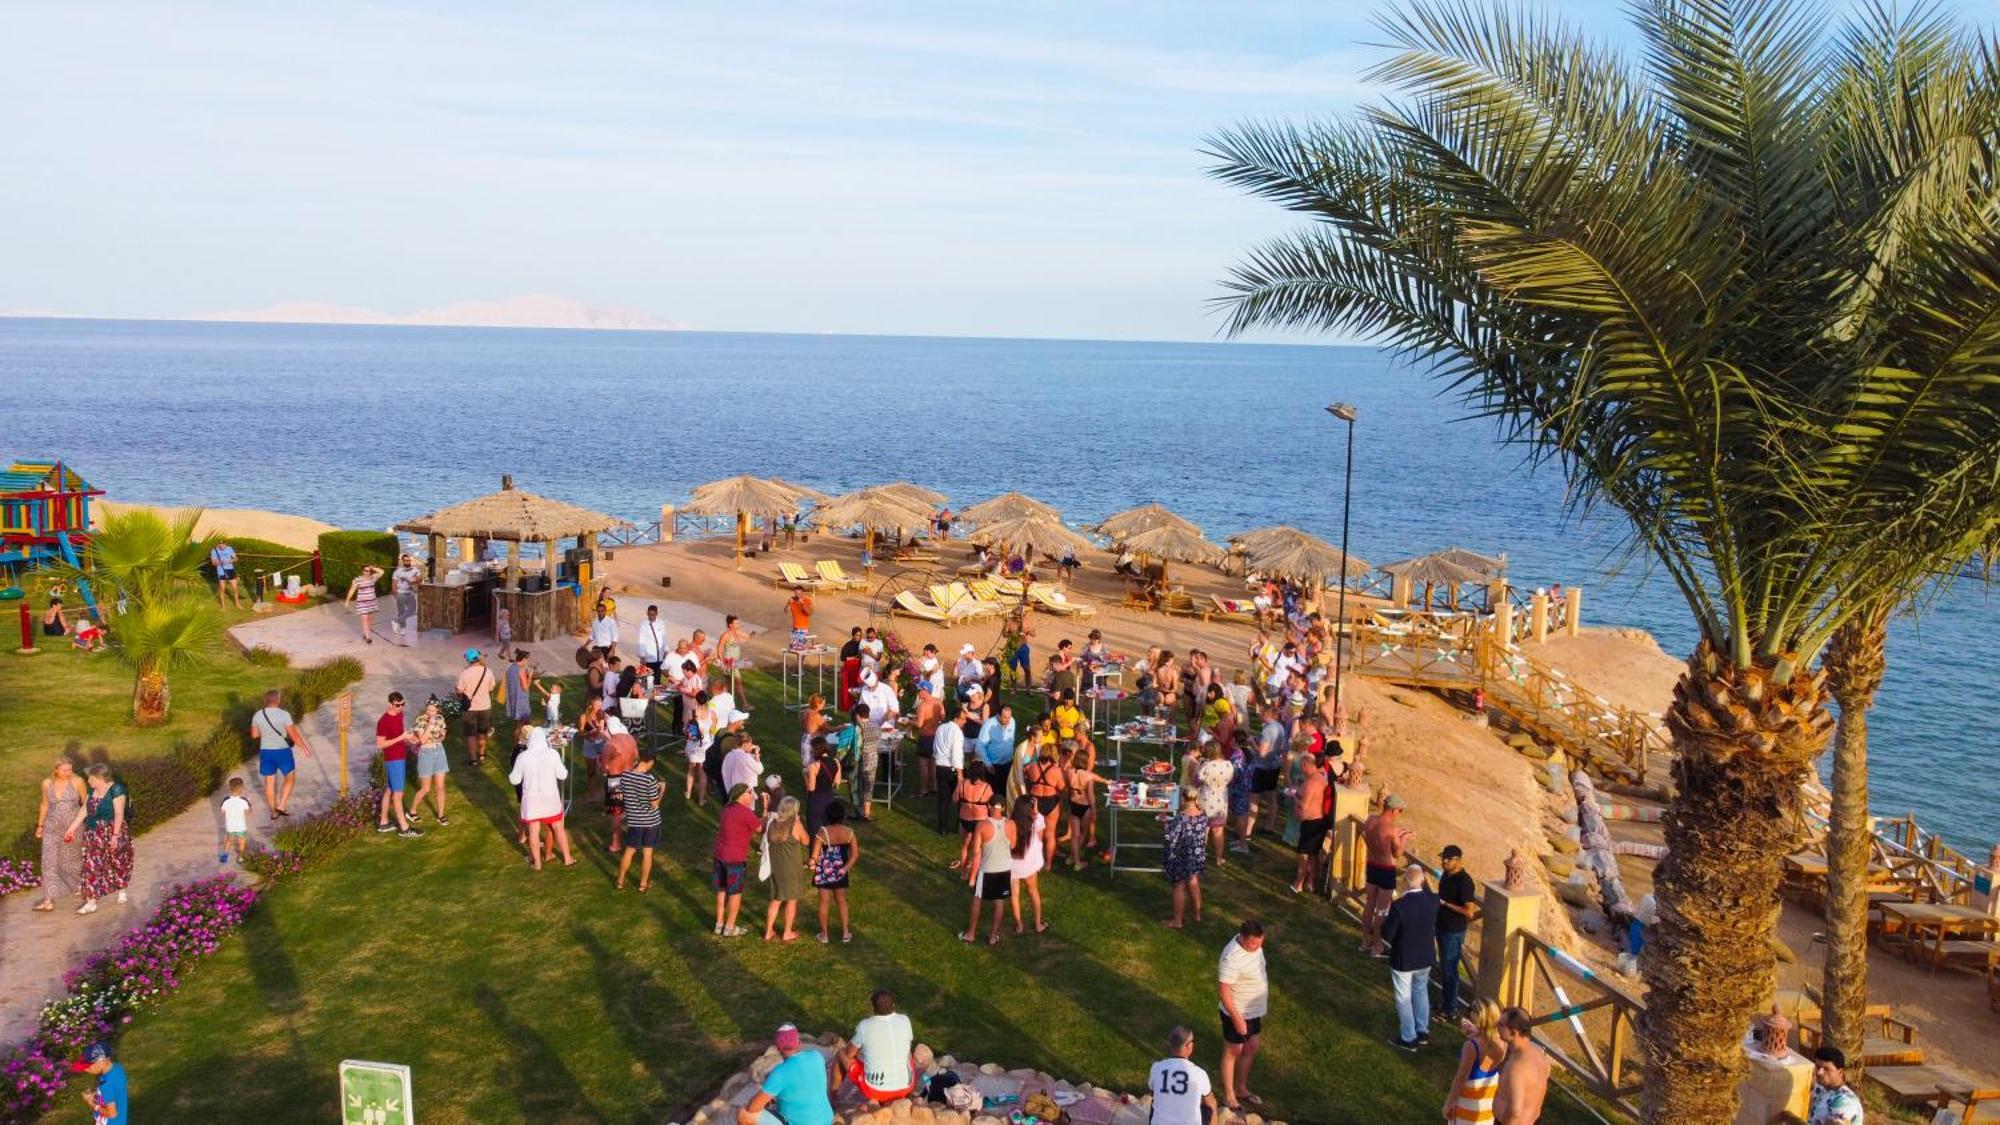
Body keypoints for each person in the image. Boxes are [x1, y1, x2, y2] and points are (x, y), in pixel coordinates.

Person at [1383, 862, 1440, 1050]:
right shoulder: (1433, 900)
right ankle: (1422, 1030)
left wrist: (1384, 917)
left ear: (1405, 881)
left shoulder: (1399, 906)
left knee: (1403, 997)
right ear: (1423, 880)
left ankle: (1409, 1037)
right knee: (1421, 990)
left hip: (1404, 957)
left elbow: (1388, 934)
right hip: (1425, 956)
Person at [507, 716, 574, 870]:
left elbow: (514, 780)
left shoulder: (523, 757)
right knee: (558, 828)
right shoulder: (552, 754)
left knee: (534, 832)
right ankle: (567, 858)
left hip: (531, 800)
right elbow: (563, 775)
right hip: (550, 798)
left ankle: (537, 863)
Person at [1216, 919, 1268, 1112]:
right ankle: (1229, 1095)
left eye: (1260, 942)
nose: (1258, 947)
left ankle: (1241, 1088)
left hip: (1253, 1010)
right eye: (1254, 943)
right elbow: (1224, 990)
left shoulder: (1255, 946)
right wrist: (1237, 1019)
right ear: (1243, 939)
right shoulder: (1232, 957)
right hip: (1236, 1011)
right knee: (1233, 1051)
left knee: (1251, 1046)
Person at [737, 1024, 834, 1125]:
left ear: (778, 1048)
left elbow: (753, 1108)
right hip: (827, 1120)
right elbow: (802, 1082)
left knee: (744, 1114)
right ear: (799, 1043)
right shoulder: (816, 1056)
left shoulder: (780, 1073)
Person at [839, 988, 917, 1103]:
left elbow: (849, 1054)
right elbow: (907, 1051)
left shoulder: (864, 1026)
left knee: (841, 1053)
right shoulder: (905, 1020)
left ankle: (833, 1095)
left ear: (871, 1007)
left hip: (876, 1091)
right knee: (907, 1056)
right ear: (894, 1005)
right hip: (906, 1087)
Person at [1361, 794, 1415, 956]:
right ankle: (1377, 945)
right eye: (1400, 810)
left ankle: (1365, 941)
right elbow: (1397, 853)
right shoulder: (1392, 830)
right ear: (1393, 810)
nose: (1400, 813)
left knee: (1369, 905)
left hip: (1372, 865)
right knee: (1382, 910)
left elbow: (1368, 835)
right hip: (1385, 869)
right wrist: (1404, 838)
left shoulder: (1370, 820)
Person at [961, 794, 1015, 945]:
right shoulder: (1011, 824)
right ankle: (993, 936)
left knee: (977, 898)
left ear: (989, 807)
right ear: (1003, 808)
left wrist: (972, 875)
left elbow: (976, 851)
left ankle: (971, 934)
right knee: (999, 901)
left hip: (987, 869)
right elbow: (1013, 845)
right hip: (1004, 869)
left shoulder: (982, 825)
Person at [33, 759, 87, 910]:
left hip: (73, 828)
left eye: (70, 769)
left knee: (71, 861)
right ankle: (48, 900)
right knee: (48, 862)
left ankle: (78, 886)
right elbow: (44, 804)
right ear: (56, 770)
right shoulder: (46, 783)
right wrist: (40, 825)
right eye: (65, 770)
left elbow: (86, 803)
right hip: (51, 828)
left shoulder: (78, 782)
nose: (68, 773)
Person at [249, 688, 311, 819]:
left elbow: (254, 735)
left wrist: (265, 732)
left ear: (265, 700)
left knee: (269, 783)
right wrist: (304, 748)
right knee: (290, 778)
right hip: (283, 751)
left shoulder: (258, 715)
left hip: (266, 752)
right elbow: (293, 734)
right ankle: (282, 805)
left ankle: (273, 812)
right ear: (278, 700)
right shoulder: (284, 714)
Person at [1436, 845, 1481, 1018]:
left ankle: (1451, 1009)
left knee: (1450, 969)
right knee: (1445, 967)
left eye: (1449, 859)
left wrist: (1445, 904)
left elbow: (1469, 912)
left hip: (1453, 930)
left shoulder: (1464, 882)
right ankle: (1446, 1003)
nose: (1444, 861)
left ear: (1459, 861)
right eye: (1443, 858)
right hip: (1441, 926)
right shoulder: (1446, 875)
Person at [715, 782, 764, 936]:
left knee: (722, 889)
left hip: (719, 854)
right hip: (735, 857)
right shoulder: (745, 812)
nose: (752, 796)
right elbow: (760, 828)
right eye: (750, 793)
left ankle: (719, 923)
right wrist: (767, 809)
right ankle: (729, 927)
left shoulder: (726, 809)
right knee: (735, 893)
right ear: (742, 795)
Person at [1445, 1001, 1506, 1123]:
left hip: (1469, 1098)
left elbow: (1461, 1078)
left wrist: (1448, 1103)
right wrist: (1476, 1032)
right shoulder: (1502, 1042)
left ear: (1480, 1016)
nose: (1470, 1013)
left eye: (1472, 1010)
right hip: (1488, 1093)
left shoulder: (1471, 1046)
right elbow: (1486, 1064)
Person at [613, 749, 664, 891]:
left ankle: (620, 880)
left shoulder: (625, 775)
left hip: (634, 820)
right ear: (651, 762)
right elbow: (654, 804)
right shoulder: (649, 779)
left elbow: (622, 795)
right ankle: (643, 884)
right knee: (647, 853)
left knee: (630, 850)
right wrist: (662, 790)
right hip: (650, 822)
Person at [372, 692, 421, 836]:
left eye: (402, 704)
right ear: (389, 704)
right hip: (393, 760)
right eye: (397, 705)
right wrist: (400, 738)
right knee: (398, 795)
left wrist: (410, 739)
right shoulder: (383, 722)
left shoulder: (400, 715)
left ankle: (383, 822)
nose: (400, 707)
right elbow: (380, 744)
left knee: (389, 790)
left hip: (399, 757)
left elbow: (400, 734)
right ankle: (405, 828)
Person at [762, 796, 809, 942]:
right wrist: (800, 822)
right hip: (791, 868)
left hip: (776, 866)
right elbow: (806, 841)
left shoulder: (771, 823)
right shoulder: (795, 825)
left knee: (776, 899)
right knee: (791, 900)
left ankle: (768, 931)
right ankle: (787, 932)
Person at [810, 799, 858, 943]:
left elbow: (815, 854)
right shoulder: (849, 832)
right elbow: (855, 855)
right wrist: (845, 868)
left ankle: (824, 935)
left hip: (825, 871)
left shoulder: (822, 832)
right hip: (841, 870)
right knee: (841, 901)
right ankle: (845, 932)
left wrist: (812, 862)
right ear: (842, 816)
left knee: (824, 902)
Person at [1147, 1026, 1216, 1125]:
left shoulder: (1157, 1068)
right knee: (1210, 1103)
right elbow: (1210, 1102)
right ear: (1189, 1046)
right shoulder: (1199, 1073)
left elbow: (1153, 1092)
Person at [1493, 1007, 1551, 1125]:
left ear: (1514, 1032)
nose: (1496, 1026)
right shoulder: (1540, 1056)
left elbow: (1515, 1111)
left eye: (1500, 1024)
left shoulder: (1516, 1067)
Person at [406, 696, 451, 826]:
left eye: (433, 710)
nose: (430, 712)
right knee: (425, 788)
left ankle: (441, 815)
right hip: (426, 753)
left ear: (437, 710)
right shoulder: (420, 720)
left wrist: (441, 735)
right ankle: (412, 811)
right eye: (428, 709)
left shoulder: (440, 719)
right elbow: (423, 740)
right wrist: (430, 726)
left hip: (439, 751)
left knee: (440, 786)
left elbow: (443, 735)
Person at [1289, 752, 1330, 895]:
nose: (1301, 769)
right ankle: (1310, 882)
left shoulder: (1312, 782)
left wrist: (1294, 797)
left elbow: (1304, 806)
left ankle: (1298, 883)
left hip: (1312, 822)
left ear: (1306, 765)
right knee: (1313, 854)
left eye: (1302, 766)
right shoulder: (1319, 778)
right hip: (1319, 822)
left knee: (1304, 854)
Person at [1162, 800, 1207, 929]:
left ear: (1184, 798)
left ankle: (1177, 921)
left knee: (1179, 886)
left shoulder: (1181, 817)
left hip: (1182, 855)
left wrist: (1165, 823)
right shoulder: (1203, 814)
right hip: (1195, 855)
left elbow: (1170, 837)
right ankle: (1197, 915)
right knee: (1193, 883)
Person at [1007, 794, 1047, 934]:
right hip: (1029, 866)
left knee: (1014, 895)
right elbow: (1041, 838)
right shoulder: (1037, 821)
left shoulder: (1009, 823)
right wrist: (1036, 811)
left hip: (1012, 865)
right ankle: (1038, 924)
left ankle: (1019, 925)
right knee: (1033, 892)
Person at [1195, 740, 1235, 866]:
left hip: (1206, 799)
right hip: (1221, 801)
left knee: (1203, 830)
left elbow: (1198, 780)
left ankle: (1198, 858)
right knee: (1218, 830)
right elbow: (1231, 779)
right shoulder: (1229, 765)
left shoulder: (1207, 766)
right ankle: (1218, 858)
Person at [455, 649, 496, 766]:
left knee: (471, 734)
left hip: (469, 709)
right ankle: (482, 755)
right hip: (485, 706)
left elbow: (460, 691)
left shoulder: (464, 673)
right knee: (482, 732)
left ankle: (473, 760)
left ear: (468, 660)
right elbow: (491, 688)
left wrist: (458, 692)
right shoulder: (488, 671)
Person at [951, 759, 994, 870]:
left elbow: (955, 799)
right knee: (977, 849)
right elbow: (991, 807)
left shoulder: (963, 783)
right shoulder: (987, 787)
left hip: (965, 819)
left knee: (965, 846)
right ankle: (974, 875)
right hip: (980, 821)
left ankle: (964, 872)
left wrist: (958, 784)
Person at [1807, 1045, 1864, 1124]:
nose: (1819, 1072)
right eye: (1818, 1066)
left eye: (1826, 1069)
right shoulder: (1823, 1087)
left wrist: (1791, 1119)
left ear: (1840, 1072)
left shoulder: (1845, 1101)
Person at [931, 704, 965, 835]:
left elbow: (935, 747)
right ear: (956, 719)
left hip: (940, 766)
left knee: (943, 799)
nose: (965, 721)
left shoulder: (941, 727)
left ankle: (942, 827)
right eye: (963, 719)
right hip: (951, 769)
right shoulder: (957, 732)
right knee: (959, 798)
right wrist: (960, 774)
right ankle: (958, 826)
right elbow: (956, 754)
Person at [76, 1042, 127, 1123]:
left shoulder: (106, 1085)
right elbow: (113, 1094)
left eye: (88, 1066)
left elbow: (112, 1114)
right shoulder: (117, 1068)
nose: (86, 1070)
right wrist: (96, 1096)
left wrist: (92, 1104)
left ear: (101, 1061)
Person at [804, 736, 842, 838]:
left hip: (816, 800)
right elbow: (837, 783)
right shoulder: (836, 762)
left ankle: (815, 852)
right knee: (828, 831)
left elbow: (811, 788)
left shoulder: (814, 766)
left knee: (815, 833)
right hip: (829, 798)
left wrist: (805, 776)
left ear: (816, 750)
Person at [345, 564, 383, 644]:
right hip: (362, 603)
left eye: (369, 571)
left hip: (372, 602)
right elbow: (352, 590)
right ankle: (368, 637)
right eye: (366, 571)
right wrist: (347, 600)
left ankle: (366, 633)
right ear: (362, 571)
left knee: (370, 619)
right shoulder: (357, 580)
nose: (367, 572)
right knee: (364, 619)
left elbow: (382, 572)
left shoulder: (373, 578)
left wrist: (372, 567)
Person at [390, 553, 422, 644]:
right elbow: (394, 584)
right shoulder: (397, 572)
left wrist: (416, 579)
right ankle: (403, 629)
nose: (408, 562)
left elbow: (420, 579)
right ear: (402, 561)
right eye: (406, 560)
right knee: (401, 611)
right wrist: (396, 595)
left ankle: (396, 621)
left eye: (409, 560)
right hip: (401, 593)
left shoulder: (415, 570)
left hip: (410, 593)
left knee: (412, 610)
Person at [976, 703, 1016, 771]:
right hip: (994, 765)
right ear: (998, 715)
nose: (1008, 721)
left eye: (1009, 717)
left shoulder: (1012, 721)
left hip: (1009, 763)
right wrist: (987, 764)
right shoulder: (988, 724)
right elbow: (980, 745)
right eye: (1005, 717)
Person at [636, 604, 669, 677]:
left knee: (658, 678)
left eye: (653, 615)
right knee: (649, 678)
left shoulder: (661, 623)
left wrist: (666, 650)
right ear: (647, 613)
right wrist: (642, 656)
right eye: (649, 614)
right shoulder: (643, 625)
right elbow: (641, 641)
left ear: (657, 614)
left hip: (660, 656)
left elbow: (664, 637)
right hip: (649, 657)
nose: (651, 616)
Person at [211, 540, 245, 608]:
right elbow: (213, 563)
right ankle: (223, 607)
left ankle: (237, 604)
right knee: (222, 589)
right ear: (218, 544)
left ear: (226, 544)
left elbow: (236, 558)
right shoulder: (214, 551)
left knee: (235, 588)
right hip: (221, 571)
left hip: (230, 570)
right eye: (221, 544)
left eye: (224, 544)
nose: (222, 546)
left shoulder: (229, 548)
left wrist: (230, 560)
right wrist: (220, 562)